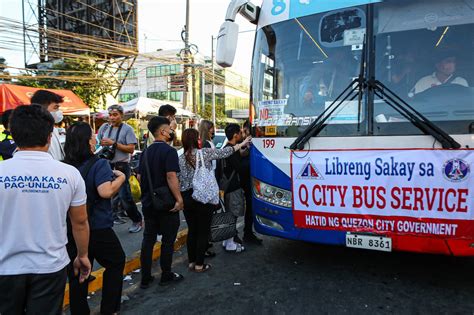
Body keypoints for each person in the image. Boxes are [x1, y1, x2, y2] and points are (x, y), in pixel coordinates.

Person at [0, 105, 91, 314]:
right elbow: (80, 222)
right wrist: (82, 255)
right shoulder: (70, 174)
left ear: (13, 134)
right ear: (50, 137)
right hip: (50, 267)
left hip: (4, 267)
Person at [64, 122, 127, 315]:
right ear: (88, 142)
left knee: (78, 273)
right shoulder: (99, 164)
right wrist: (121, 179)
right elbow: (105, 191)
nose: (95, 138)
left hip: (71, 228)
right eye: (93, 135)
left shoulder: (64, 166)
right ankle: (109, 309)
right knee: (116, 262)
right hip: (97, 226)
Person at [179, 128, 251, 272]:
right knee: (202, 231)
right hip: (202, 196)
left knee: (192, 230)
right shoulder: (203, 153)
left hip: (187, 197)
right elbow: (225, 152)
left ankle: (192, 262)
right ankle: (200, 264)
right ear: (196, 140)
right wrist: (242, 143)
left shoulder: (180, 157)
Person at [138, 116, 184, 288]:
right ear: (163, 132)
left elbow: (140, 176)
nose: (172, 132)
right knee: (167, 240)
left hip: (149, 203)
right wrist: (179, 199)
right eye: (170, 129)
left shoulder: (146, 152)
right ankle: (166, 274)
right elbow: (171, 176)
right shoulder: (169, 151)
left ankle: (145, 277)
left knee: (148, 240)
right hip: (166, 204)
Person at [98, 104, 143, 233]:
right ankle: (110, 219)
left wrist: (114, 144)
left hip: (122, 165)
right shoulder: (104, 127)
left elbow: (131, 149)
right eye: (110, 115)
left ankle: (137, 220)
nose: (112, 118)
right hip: (107, 164)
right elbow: (100, 142)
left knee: (125, 196)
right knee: (107, 194)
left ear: (121, 116)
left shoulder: (127, 129)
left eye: (115, 115)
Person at [220, 123, 250, 252]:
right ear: (235, 135)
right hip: (233, 187)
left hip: (227, 187)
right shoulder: (231, 150)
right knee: (233, 215)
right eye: (239, 133)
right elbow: (239, 167)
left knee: (229, 214)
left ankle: (227, 241)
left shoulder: (228, 148)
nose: (241, 135)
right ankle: (231, 243)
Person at [198, 119, 218, 257]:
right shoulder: (205, 144)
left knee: (207, 219)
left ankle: (205, 243)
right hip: (208, 184)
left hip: (210, 182)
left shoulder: (206, 143)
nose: (213, 130)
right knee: (205, 220)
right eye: (211, 128)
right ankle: (203, 248)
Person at [241, 120, 263, 244]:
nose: (244, 134)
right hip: (245, 182)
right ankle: (247, 233)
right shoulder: (243, 143)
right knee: (248, 208)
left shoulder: (254, 143)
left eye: (246, 131)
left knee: (250, 208)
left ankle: (248, 232)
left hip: (250, 181)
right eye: (243, 131)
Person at [31, 89, 65, 160]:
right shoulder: (34, 131)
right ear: (42, 108)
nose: (59, 112)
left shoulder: (53, 129)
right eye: (55, 108)